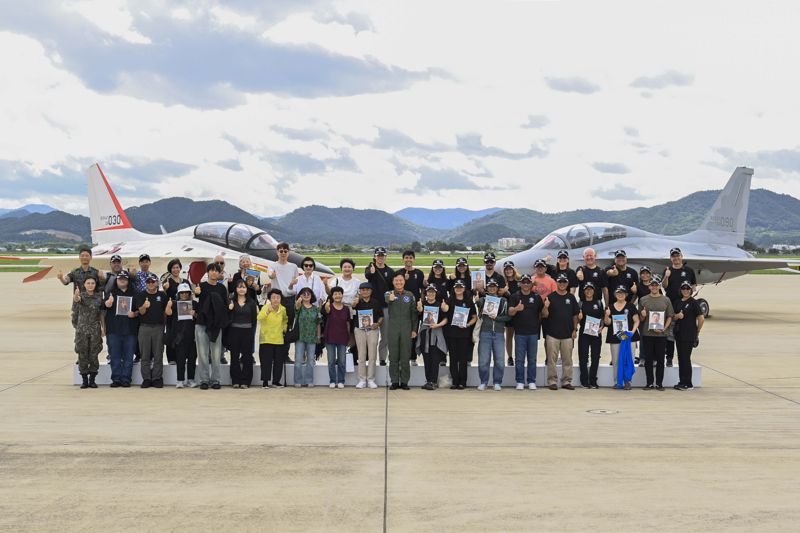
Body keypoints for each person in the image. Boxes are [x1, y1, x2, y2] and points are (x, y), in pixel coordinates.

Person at [194, 262, 229, 390]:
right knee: (202, 354)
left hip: (216, 325)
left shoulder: (222, 288)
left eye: (216, 271)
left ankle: (215, 380)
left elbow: (225, 305)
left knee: (216, 354)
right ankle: (204, 380)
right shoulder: (201, 286)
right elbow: (195, 302)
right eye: (212, 270)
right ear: (207, 272)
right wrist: (196, 293)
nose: (214, 272)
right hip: (201, 324)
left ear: (220, 273)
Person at [507, 274, 546, 390]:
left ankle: (531, 381)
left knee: (532, 358)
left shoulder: (536, 297)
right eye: (523, 282)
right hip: (519, 333)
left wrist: (546, 307)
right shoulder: (515, 296)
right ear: (520, 283)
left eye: (528, 282)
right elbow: (510, 312)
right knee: (519, 359)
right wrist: (516, 309)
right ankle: (519, 381)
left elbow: (544, 314)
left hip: (533, 332)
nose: (525, 284)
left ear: (531, 283)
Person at [662, 247, 697, 367]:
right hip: (671, 304)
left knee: (684, 330)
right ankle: (669, 357)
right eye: (673, 256)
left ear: (681, 256)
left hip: (684, 304)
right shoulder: (668, 270)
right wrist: (666, 276)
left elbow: (693, 284)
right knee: (670, 332)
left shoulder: (688, 270)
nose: (676, 258)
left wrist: (691, 294)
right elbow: (664, 285)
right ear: (670, 258)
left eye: (678, 255)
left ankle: (684, 356)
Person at [639, 276, 675, 390]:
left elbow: (670, 316)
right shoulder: (643, 300)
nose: (654, 287)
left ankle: (659, 383)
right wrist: (642, 315)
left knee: (660, 360)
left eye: (656, 285)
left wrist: (664, 328)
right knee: (648, 360)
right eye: (652, 285)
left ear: (659, 286)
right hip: (647, 334)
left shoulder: (666, 300)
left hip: (661, 335)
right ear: (649, 286)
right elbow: (641, 319)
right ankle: (649, 383)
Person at [104, 270, 138, 387]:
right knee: (114, 356)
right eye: (120, 278)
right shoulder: (110, 293)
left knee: (129, 357)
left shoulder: (135, 293)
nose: (122, 280)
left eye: (124, 278)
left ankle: (126, 379)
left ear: (128, 280)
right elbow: (103, 306)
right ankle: (116, 378)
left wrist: (135, 314)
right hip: (113, 330)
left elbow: (140, 310)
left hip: (130, 331)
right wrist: (107, 303)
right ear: (116, 280)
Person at [384, 271, 419, 390]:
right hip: (393, 329)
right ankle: (394, 381)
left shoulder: (409, 295)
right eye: (396, 281)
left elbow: (414, 314)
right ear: (393, 282)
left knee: (405, 356)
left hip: (406, 328)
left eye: (401, 280)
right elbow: (387, 300)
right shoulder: (389, 293)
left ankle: (404, 381)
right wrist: (391, 298)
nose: (398, 282)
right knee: (393, 356)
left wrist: (414, 329)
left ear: (404, 281)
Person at [543, 274, 577, 390]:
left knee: (567, 359)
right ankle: (552, 381)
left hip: (567, 334)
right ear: (556, 283)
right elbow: (544, 315)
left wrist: (574, 329)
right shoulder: (550, 297)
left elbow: (575, 315)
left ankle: (566, 381)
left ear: (567, 283)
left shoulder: (571, 298)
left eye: (564, 282)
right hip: (552, 334)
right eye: (560, 282)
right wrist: (546, 307)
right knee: (551, 360)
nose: (562, 284)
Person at [476, 279, 510, 391]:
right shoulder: (482, 300)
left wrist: (497, 318)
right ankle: (483, 382)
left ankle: (497, 382)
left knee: (500, 360)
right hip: (485, 332)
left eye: (494, 286)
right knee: (483, 360)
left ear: (497, 288)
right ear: (487, 288)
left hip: (499, 333)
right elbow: (478, 313)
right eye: (490, 286)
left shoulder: (503, 300)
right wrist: (476, 301)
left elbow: (508, 317)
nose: (492, 288)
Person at [604, 286, 640, 389]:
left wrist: (632, 332)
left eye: (623, 293)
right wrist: (607, 315)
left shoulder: (631, 306)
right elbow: (608, 322)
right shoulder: (610, 307)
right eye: (618, 293)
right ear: (615, 294)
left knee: (629, 360)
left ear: (626, 294)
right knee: (615, 361)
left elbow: (637, 321)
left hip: (629, 338)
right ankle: (617, 382)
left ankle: (628, 382)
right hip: (615, 338)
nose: (620, 295)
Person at [135, 273, 167, 388]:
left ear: (157, 283)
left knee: (158, 354)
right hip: (144, 327)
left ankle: (157, 378)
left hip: (158, 327)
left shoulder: (162, 295)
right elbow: (141, 312)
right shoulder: (141, 295)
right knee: (145, 355)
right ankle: (147, 379)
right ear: (146, 283)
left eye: (153, 282)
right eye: (148, 282)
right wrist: (144, 306)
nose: (151, 284)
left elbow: (165, 312)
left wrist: (163, 325)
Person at [444, 280, 477, 390]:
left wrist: (467, 325)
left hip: (464, 334)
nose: (458, 289)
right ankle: (455, 381)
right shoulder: (450, 300)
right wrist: (444, 306)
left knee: (463, 359)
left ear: (464, 289)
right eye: (456, 287)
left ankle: (463, 381)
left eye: (460, 287)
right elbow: (445, 311)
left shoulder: (468, 301)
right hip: (452, 334)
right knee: (453, 358)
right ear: (454, 289)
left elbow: (474, 317)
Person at [269, 243, 299, 364]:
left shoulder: (293, 267)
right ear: (277, 252)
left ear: (289, 252)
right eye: (281, 251)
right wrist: (272, 275)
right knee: (276, 328)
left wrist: (292, 286)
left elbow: (295, 283)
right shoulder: (272, 266)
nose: (283, 253)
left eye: (285, 251)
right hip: (277, 300)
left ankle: (285, 355)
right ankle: (275, 355)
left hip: (290, 299)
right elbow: (270, 275)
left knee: (288, 328)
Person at [672, 280, 704, 390]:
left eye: (687, 289)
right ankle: (682, 381)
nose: (685, 291)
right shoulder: (677, 302)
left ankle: (688, 383)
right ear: (680, 290)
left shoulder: (693, 302)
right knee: (681, 358)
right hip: (679, 333)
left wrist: (697, 331)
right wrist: (677, 316)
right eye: (683, 289)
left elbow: (701, 318)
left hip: (689, 334)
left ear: (690, 290)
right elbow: (673, 316)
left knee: (686, 358)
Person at [365, 247, 394, 366]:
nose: (380, 257)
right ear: (375, 257)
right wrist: (371, 272)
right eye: (378, 255)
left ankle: (382, 358)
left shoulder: (390, 271)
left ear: (385, 257)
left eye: (382, 255)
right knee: (371, 336)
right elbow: (367, 275)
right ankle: (370, 359)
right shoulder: (370, 268)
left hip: (386, 307)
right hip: (373, 308)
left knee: (385, 335)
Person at [165, 282, 197, 388]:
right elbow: (168, 313)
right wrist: (169, 306)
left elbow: (200, 317)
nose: (184, 295)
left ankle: (191, 379)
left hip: (192, 336)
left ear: (189, 293)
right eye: (182, 293)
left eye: (186, 292)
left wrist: (195, 314)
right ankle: (180, 380)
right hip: (179, 337)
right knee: (180, 359)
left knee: (192, 359)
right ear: (178, 294)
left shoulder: (194, 304)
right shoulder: (174, 304)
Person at [73, 277, 103, 389]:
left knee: (94, 354)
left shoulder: (99, 297)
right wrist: (76, 295)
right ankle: (84, 380)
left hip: (95, 330)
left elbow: (101, 314)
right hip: (82, 331)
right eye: (88, 283)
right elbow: (77, 300)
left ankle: (92, 380)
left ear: (95, 285)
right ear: (84, 285)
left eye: (92, 283)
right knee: (82, 354)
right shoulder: (82, 296)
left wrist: (103, 328)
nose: (90, 285)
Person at [416, 285, 448, 390]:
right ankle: (428, 380)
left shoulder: (440, 305)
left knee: (435, 359)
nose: (431, 294)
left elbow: (445, 319)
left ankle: (433, 381)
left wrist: (438, 325)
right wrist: (419, 308)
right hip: (425, 333)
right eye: (429, 292)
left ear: (435, 294)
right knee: (427, 359)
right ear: (426, 293)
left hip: (436, 334)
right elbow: (419, 315)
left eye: (433, 292)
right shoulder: (423, 304)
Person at [227, 279, 258, 388]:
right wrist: (229, 309)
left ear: (246, 289)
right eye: (239, 287)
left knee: (247, 356)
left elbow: (254, 320)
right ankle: (235, 380)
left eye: (243, 287)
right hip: (234, 331)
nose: (241, 289)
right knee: (234, 356)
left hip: (247, 332)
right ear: (235, 289)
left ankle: (245, 381)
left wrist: (251, 333)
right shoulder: (231, 302)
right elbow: (227, 318)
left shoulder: (251, 303)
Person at [352, 282, 383, 389]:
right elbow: (351, 312)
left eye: (367, 290)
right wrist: (354, 304)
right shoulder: (356, 302)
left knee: (372, 355)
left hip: (372, 330)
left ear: (371, 291)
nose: (365, 291)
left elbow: (381, 316)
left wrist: (378, 323)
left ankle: (371, 379)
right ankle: (361, 379)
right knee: (361, 355)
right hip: (359, 330)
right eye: (363, 290)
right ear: (360, 291)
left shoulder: (375, 302)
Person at [257, 289, 289, 388]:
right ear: (270, 298)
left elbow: (285, 320)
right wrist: (267, 312)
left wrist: (284, 328)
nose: (276, 300)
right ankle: (265, 382)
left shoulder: (283, 309)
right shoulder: (265, 307)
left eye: (278, 297)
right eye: (273, 297)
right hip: (266, 339)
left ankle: (276, 381)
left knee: (278, 362)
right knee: (266, 362)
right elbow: (259, 318)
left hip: (279, 339)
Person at [322, 286, 352, 388]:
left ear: (342, 295)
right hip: (330, 337)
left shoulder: (346, 309)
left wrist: (349, 337)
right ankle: (332, 380)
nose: (337, 296)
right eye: (335, 294)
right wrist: (326, 306)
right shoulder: (328, 306)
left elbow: (348, 323)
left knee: (342, 361)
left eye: (339, 293)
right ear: (332, 296)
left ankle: (341, 381)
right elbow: (325, 311)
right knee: (331, 361)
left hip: (342, 337)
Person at [577, 282, 605, 388]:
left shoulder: (598, 302)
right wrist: (579, 317)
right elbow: (576, 319)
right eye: (586, 290)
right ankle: (584, 381)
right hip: (584, 334)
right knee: (583, 357)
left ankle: (593, 380)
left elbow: (602, 318)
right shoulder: (581, 303)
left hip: (596, 334)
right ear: (584, 292)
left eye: (590, 289)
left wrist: (602, 327)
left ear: (594, 291)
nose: (589, 291)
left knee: (595, 357)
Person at [162, 258, 189, 365]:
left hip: (184, 312)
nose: (175, 269)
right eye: (173, 268)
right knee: (171, 334)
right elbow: (163, 298)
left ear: (180, 268)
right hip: (171, 314)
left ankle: (183, 357)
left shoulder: (186, 282)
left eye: (177, 267)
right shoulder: (167, 282)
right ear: (170, 269)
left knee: (184, 334)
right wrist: (165, 289)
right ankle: (172, 359)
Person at [294, 287, 322, 387]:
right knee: (298, 360)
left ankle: (309, 380)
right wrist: (299, 299)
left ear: (311, 296)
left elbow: (318, 323)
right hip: (300, 337)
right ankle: (297, 381)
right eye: (304, 294)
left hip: (312, 337)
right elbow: (296, 306)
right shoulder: (299, 307)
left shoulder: (315, 309)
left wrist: (318, 336)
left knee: (310, 360)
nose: (306, 295)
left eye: (308, 294)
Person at [502, 260, 520, 367]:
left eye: (510, 269)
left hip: (518, 312)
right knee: (509, 335)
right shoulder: (503, 282)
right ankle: (509, 357)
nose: (508, 271)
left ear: (513, 269)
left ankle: (519, 356)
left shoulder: (519, 280)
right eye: (506, 269)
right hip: (508, 312)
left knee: (518, 336)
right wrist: (504, 291)